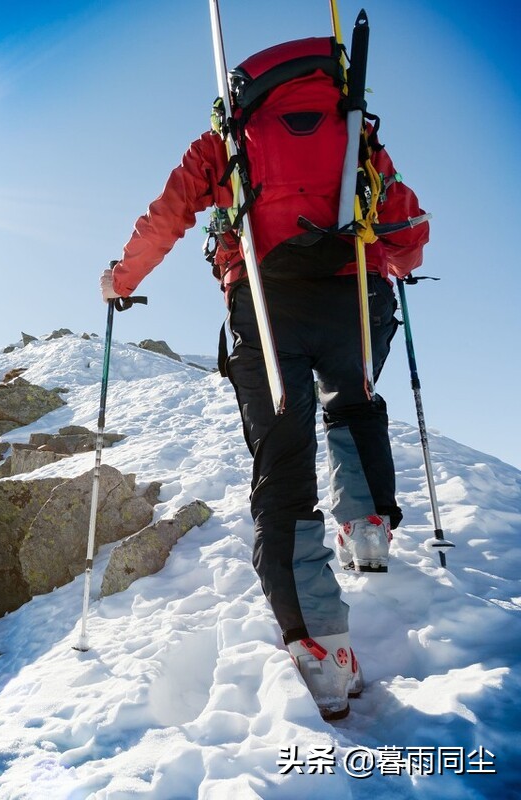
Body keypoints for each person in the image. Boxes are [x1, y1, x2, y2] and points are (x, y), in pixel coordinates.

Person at [100, 36, 429, 720]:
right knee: (354, 405)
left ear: (241, 93)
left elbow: (168, 215)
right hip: (356, 297)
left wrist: (120, 280)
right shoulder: (353, 126)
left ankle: (321, 647)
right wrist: (389, 261)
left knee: (284, 465)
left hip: (266, 302)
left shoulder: (222, 142)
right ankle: (366, 526)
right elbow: (407, 226)